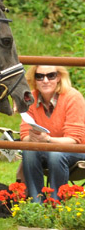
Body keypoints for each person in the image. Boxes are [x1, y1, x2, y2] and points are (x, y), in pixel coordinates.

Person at [20, 65, 85, 202]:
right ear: (34, 79)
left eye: (51, 75)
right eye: (40, 76)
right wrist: (31, 138)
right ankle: (36, 203)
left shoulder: (72, 97)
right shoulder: (30, 98)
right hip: (46, 149)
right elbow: (24, 136)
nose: (45, 80)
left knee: (56, 154)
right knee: (29, 151)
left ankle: (56, 204)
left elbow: (75, 139)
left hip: (77, 151)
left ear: (59, 77)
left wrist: (48, 140)